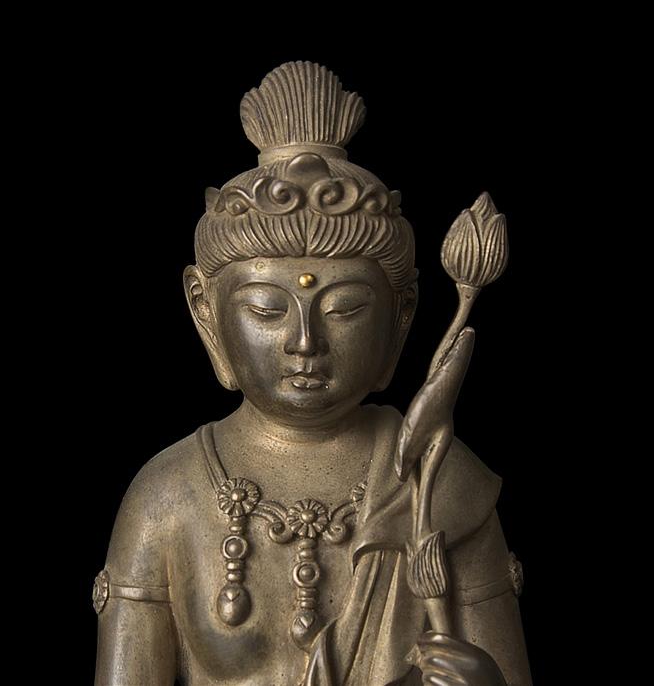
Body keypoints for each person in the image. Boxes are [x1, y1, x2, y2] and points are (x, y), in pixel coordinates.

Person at [93, 61, 532, 685]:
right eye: (266, 309)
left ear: (401, 316)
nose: (305, 342)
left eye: (345, 308)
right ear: (205, 312)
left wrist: (479, 680)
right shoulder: (166, 496)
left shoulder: (438, 480)